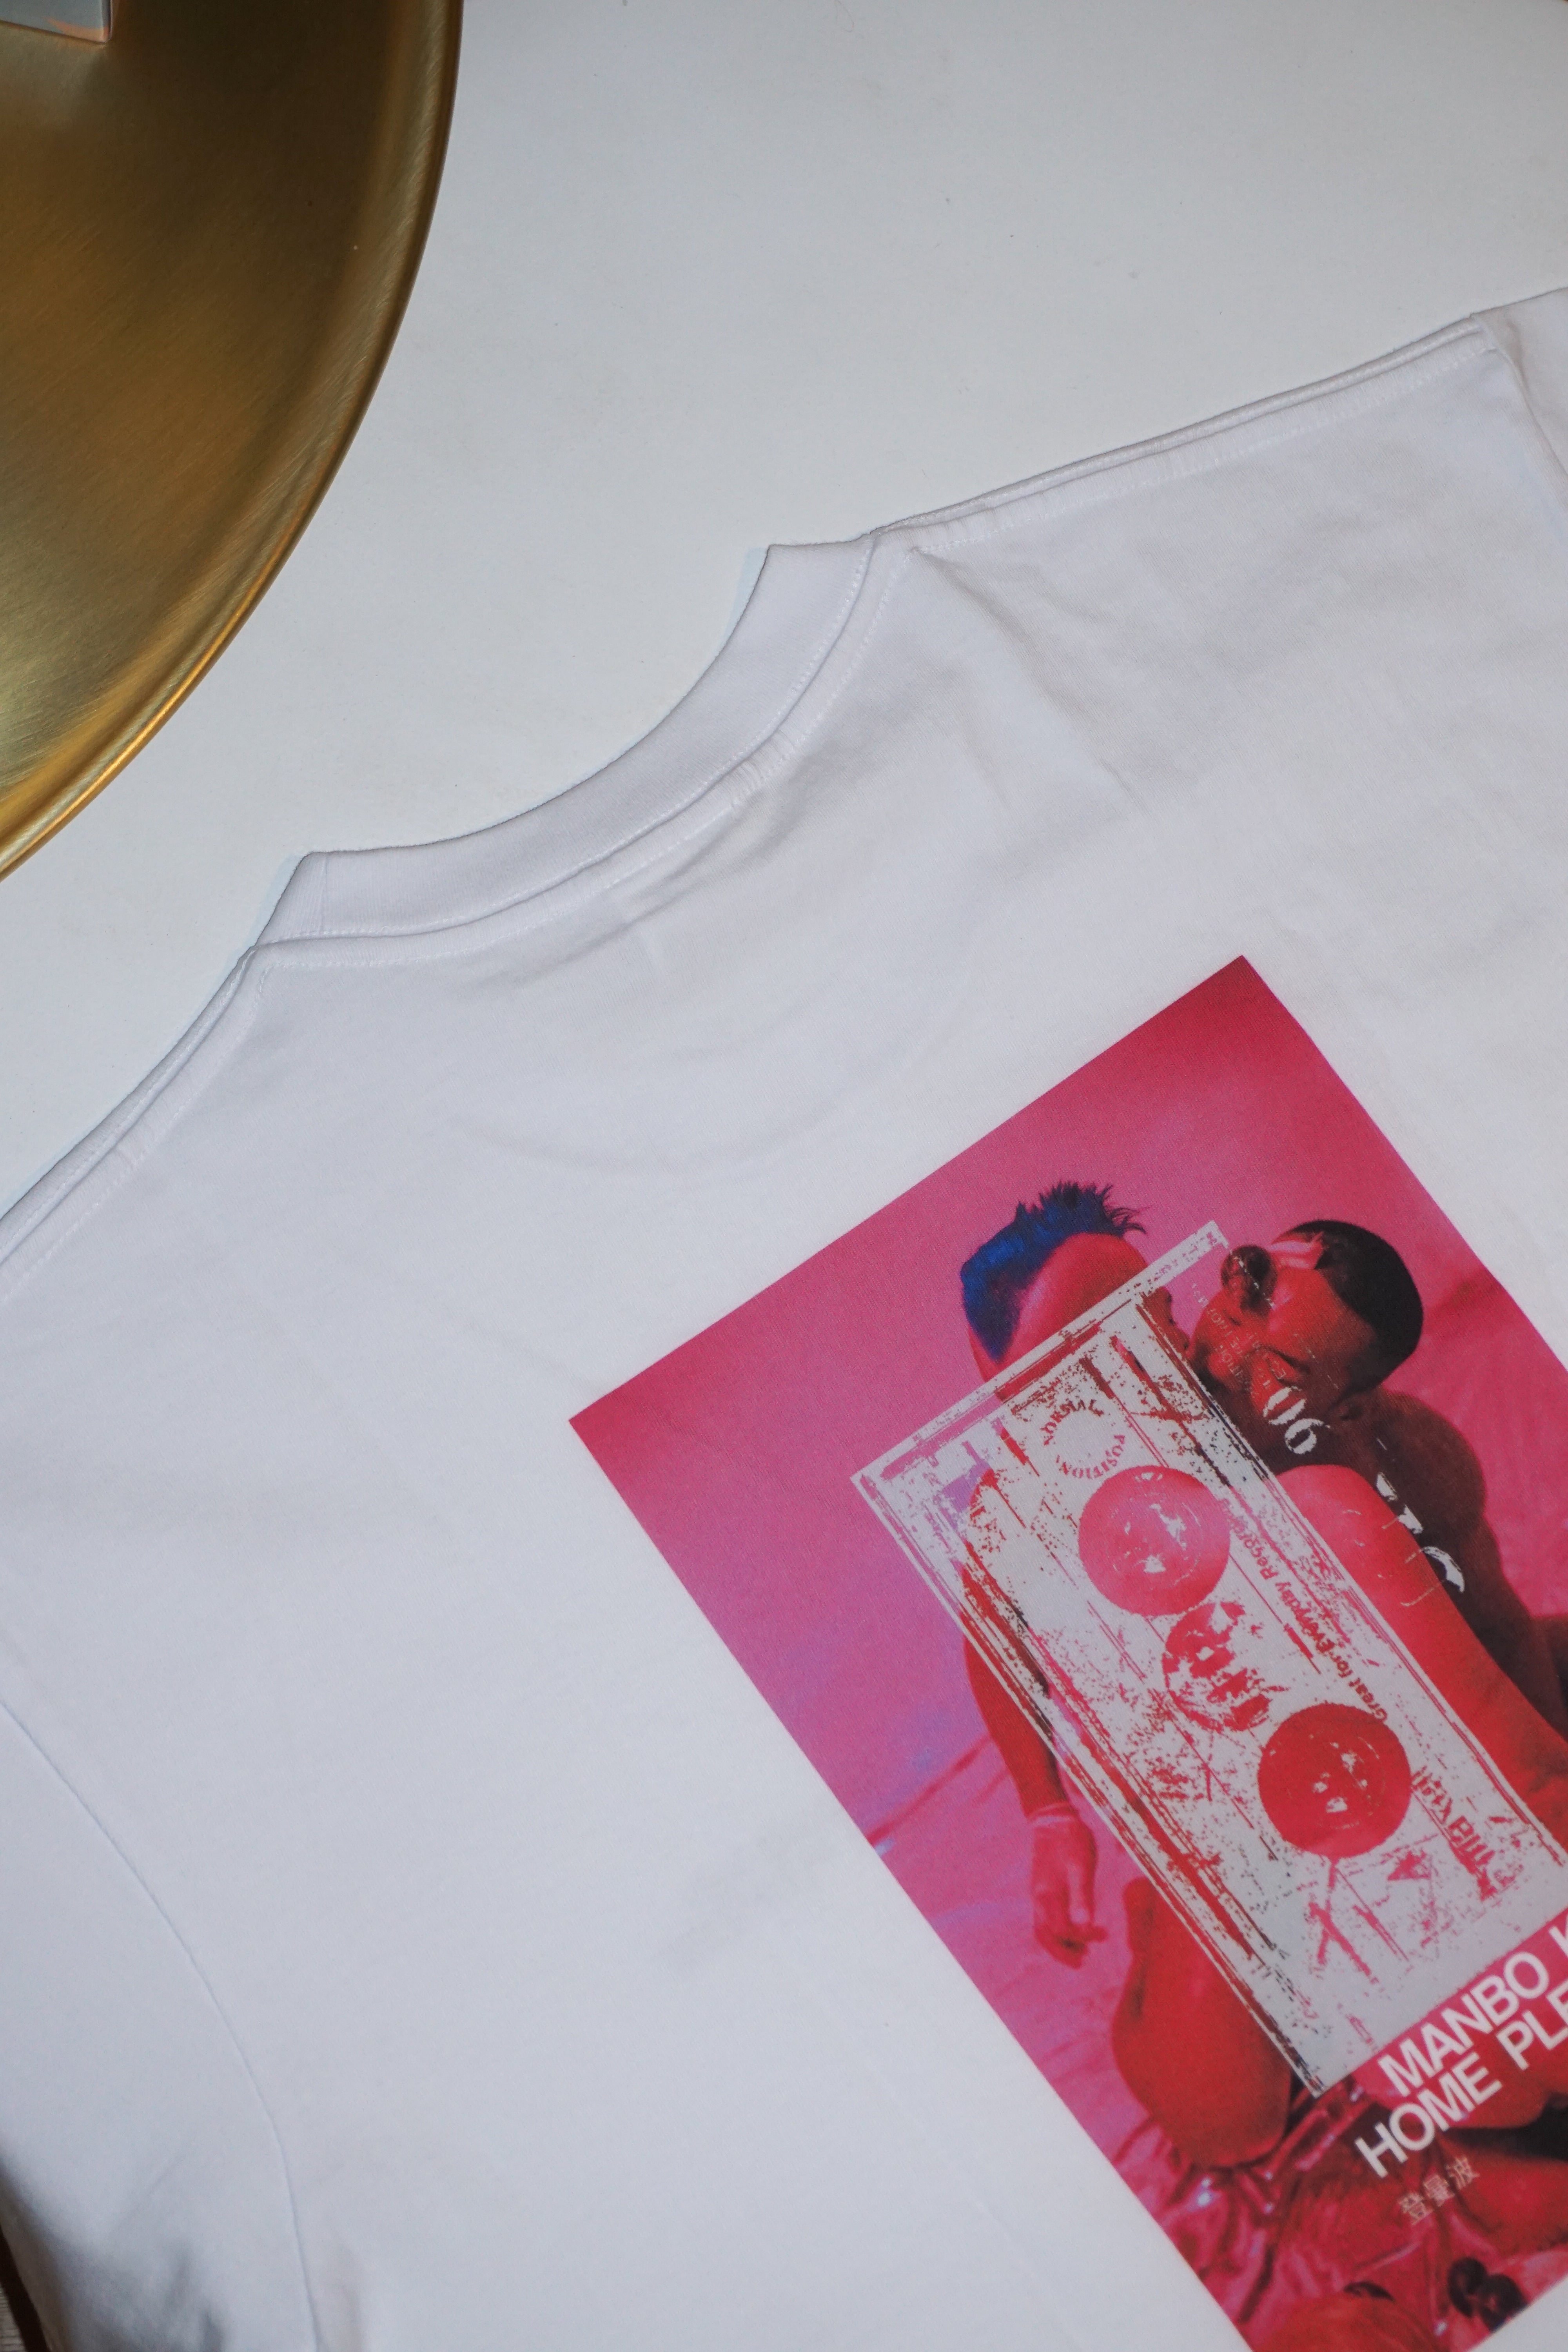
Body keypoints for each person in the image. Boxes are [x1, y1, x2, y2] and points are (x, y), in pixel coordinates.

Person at [959, 1188, 1568, 1967]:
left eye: (1278, 1364)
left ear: (1345, 1413)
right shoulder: (1112, 1438)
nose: (1214, 1356)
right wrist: (1047, 1813)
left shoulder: (1397, 1462)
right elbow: (991, 1608)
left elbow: (1500, 1636)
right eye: (1231, 1308)